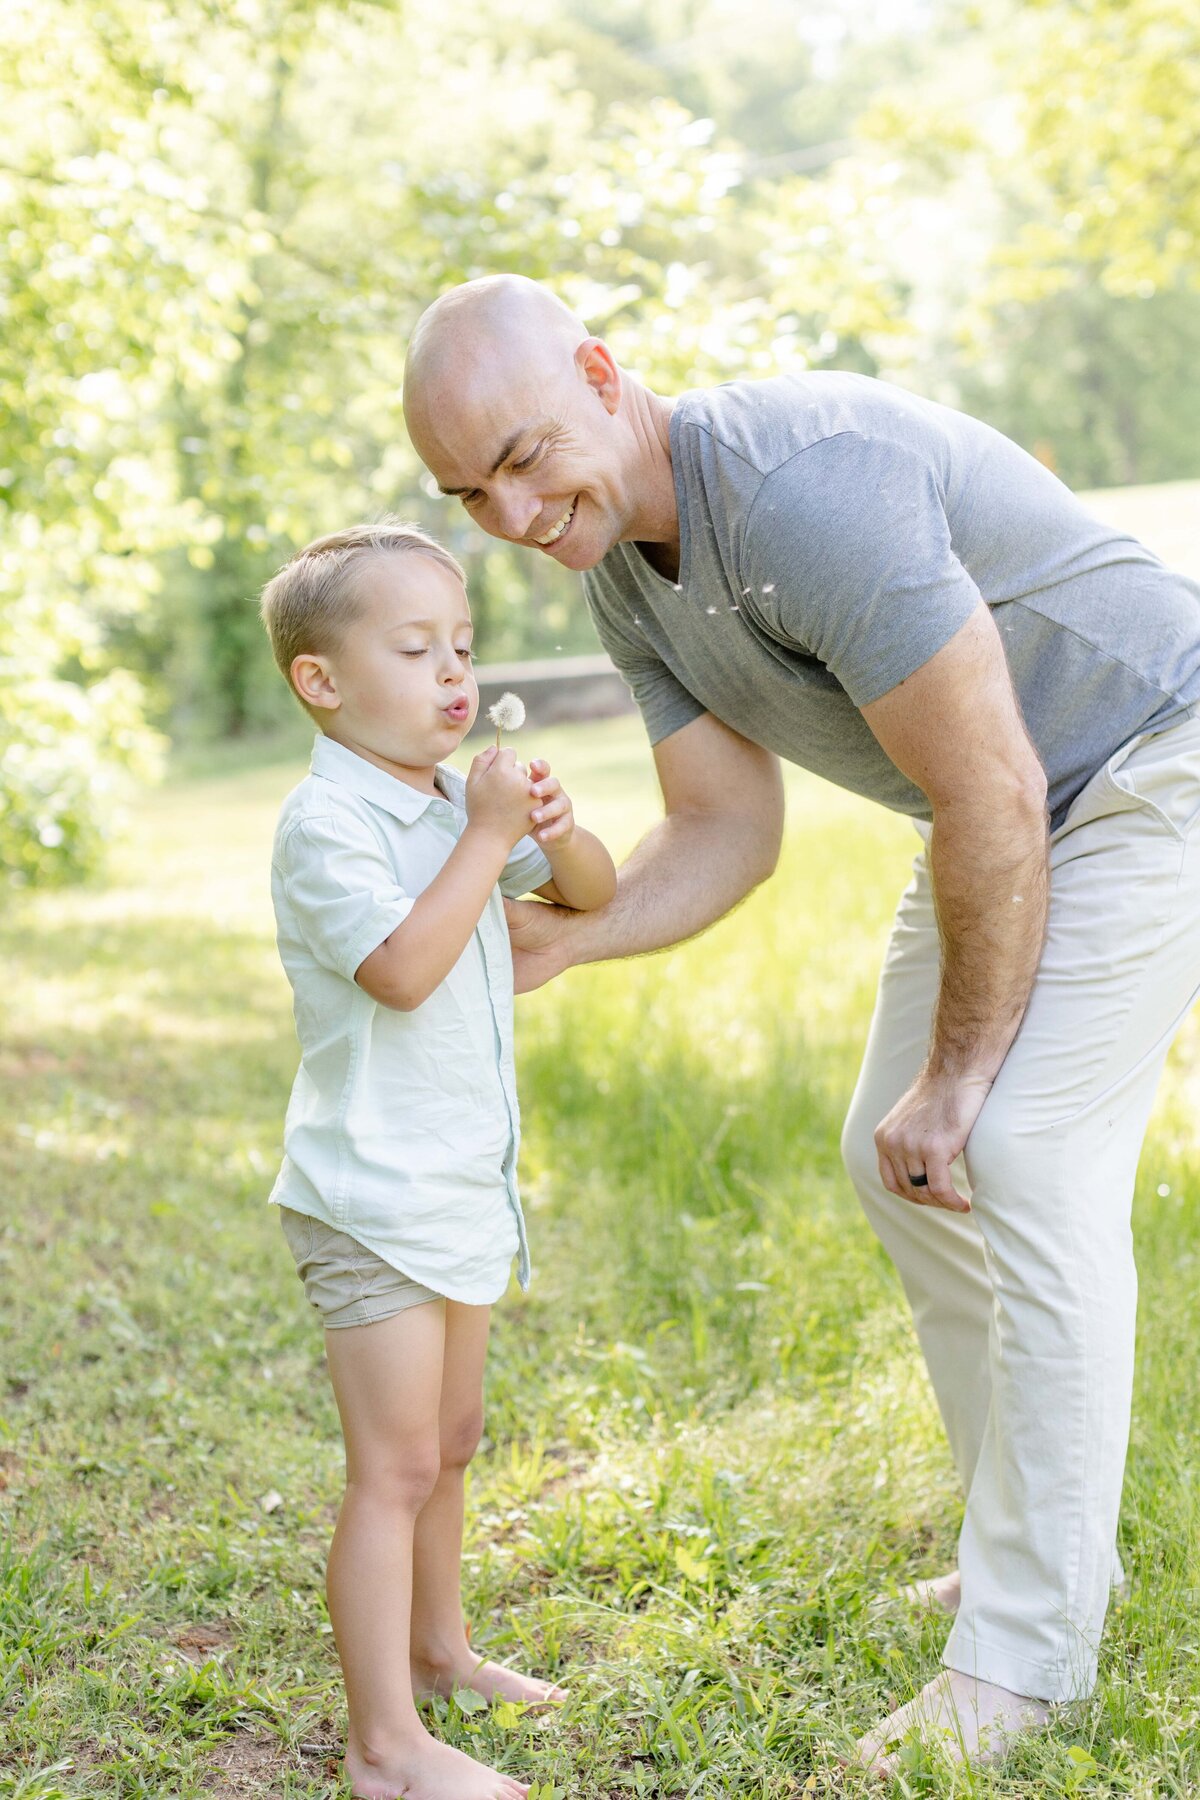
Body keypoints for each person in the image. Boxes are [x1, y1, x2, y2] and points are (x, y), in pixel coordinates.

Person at [401, 275, 1200, 1773]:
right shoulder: (623, 573)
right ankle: (1032, 1548)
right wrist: (560, 943)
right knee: (882, 1154)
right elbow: (722, 831)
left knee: (1015, 1150)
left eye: (519, 459)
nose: (506, 516)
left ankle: (1030, 1663)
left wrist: (960, 1080)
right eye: (467, 493)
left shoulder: (798, 489)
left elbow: (994, 792)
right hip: (1016, 801)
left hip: (1155, 755)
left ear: (600, 370)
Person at [258, 519, 616, 1800]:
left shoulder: (437, 804)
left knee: (453, 1442)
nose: (456, 673)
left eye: (463, 646)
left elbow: (589, 894)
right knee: (395, 1468)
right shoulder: (330, 827)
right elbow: (405, 972)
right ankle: (384, 1749)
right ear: (325, 682)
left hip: (452, 1185)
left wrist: (558, 831)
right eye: (416, 649)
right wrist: (482, 838)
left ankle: (440, 1651)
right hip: (369, 1198)